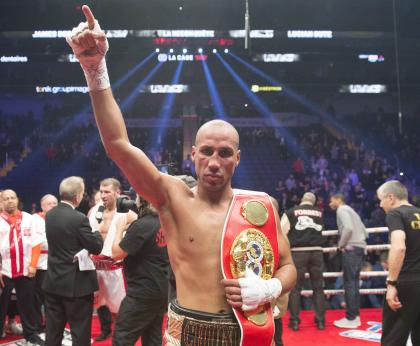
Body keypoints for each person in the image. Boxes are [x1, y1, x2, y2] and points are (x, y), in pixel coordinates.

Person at [67, 7, 296, 345]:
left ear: (237, 158)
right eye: (206, 152)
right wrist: (94, 67)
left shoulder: (259, 208)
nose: (214, 162)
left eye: (224, 153)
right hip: (187, 330)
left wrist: (271, 286)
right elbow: (117, 144)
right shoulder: (170, 196)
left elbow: (288, 265)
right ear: (193, 154)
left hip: (247, 332)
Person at [42, 176, 104, 346]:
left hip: (53, 282)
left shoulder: (50, 215)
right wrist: (96, 231)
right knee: (80, 332)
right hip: (76, 287)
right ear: (77, 196)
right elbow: (96, 247)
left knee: (53, 332)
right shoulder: (79, 218)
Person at [111, 196, 169, 346]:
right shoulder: (163, 222)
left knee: (122, 336)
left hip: (142, 292)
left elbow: (117, 253)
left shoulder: (141, 225)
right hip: (161, 288)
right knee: (152, 336)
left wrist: (119, 228)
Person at [88, 178, 137, 341]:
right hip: (96, 265)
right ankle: (105, 329)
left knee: (119, 305)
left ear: (118, 192)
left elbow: (138, 238)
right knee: (101, 302)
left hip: (116, 267)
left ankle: (120, 333)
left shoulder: (128, 214)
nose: (103, 195)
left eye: (107, 191)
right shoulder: (94, 211)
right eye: (101, 191)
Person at [377, 180, 420, 345]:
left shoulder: (395, 214)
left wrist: (392, 283)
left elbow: (399, 246)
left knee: (393, 338)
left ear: (391, 197)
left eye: (381, 200)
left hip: (407, 282)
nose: (380, 205)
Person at [0, 189, 44, 345]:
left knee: (28, 304)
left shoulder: (29, 219)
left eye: (12, 198)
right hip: (4, 270)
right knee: (1, 304)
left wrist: (33, 265)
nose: (10, 201)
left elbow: (36, 243)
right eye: (6, 198)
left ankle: (31, 333)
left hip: (25, 269)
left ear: (17, 200)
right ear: (1, 202)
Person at [281, 192, 326, 331]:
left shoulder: (291, 212)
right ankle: (320, 322)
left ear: (302, 200)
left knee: (295, 289)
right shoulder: (320, 213)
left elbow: (282, 232)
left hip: (299, 253)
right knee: (318, 288)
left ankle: (294, 322)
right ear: (314, 202)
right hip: (317, 253)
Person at [329, 193, 367, 328]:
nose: (330, 203)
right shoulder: (351, 210)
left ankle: (351, 318)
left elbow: (348, 228)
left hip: (351, 248)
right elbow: (364, 230)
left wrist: (340, 245)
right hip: (359, 247)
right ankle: (355, 317)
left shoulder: (342, 209)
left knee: (350, 284)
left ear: (339, 199)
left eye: (331, 200)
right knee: (354, 284)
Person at [32, 194, 58, 333]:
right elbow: (39, 243)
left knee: (52, 299)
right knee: (38, 298)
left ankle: (51, 325)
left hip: (55, 265)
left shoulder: (59, 219)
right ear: (42, 206)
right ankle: (37, 325)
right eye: (50, 203)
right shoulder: (35, 220)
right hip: (40, 265)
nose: (53, 205)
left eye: (55, 203)